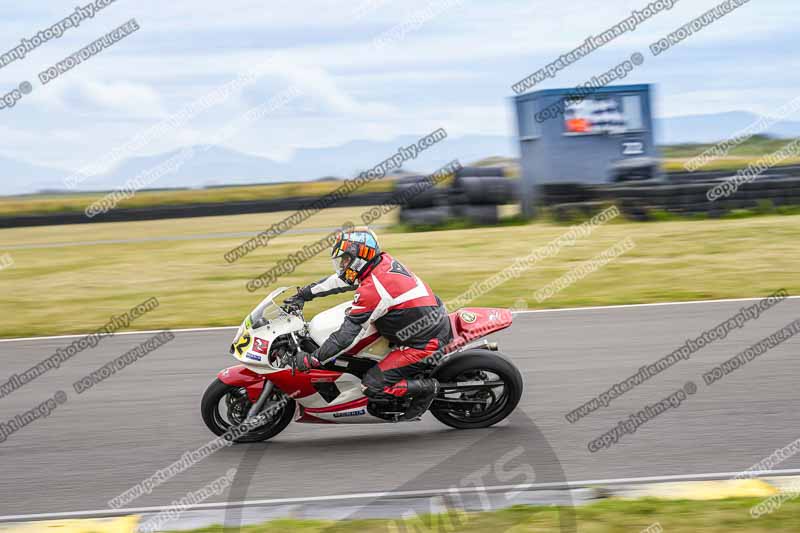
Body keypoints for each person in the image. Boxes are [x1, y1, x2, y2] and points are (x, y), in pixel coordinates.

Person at [282, 227, 452, 419]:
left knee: (370, 385)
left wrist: (314, 359)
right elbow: (339, 281)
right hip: (419, 322)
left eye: (345, 259)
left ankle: (428, 388)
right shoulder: (378, 264)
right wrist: (303, 294)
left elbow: (346, 336)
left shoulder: (374, 288)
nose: (342, 265)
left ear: (360, 257)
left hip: (424, 344)